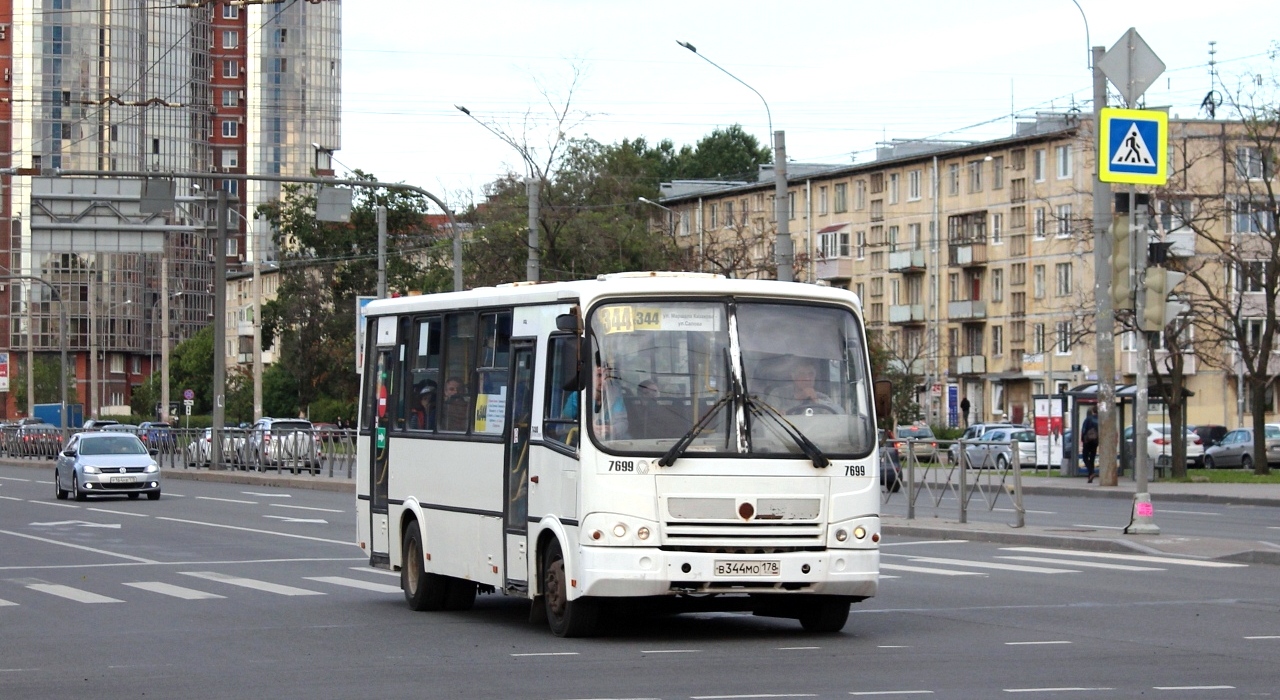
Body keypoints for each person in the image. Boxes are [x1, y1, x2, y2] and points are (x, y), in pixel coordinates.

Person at [565, 364, 629, 440]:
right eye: (599, 375)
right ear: (589, 377)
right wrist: (587, 428)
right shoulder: (577, 396)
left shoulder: (615, 396)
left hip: (609, 442)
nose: (604, 380)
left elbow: (623, 423)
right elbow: (562, 426)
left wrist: (611, 429)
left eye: (607, 375)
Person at [768, 359, 838, 414]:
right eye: (802, 374)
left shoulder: (822, 397)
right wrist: (798, 399)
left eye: (811, 374)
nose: (807, 378)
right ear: (793, 376)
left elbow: (840, 414)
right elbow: (767, 420)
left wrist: (816, 401)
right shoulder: (778, 394)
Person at [1081, 406, 1100, 483]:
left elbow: (1084, 429)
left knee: (1085, 457)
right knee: (1092, 458)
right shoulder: (1099, 419)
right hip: (1095, 441)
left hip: (1088, 441)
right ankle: (1090, 477)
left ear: (1092, 411)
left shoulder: (1088, 419)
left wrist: (1083, 439)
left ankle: (1091, 472)